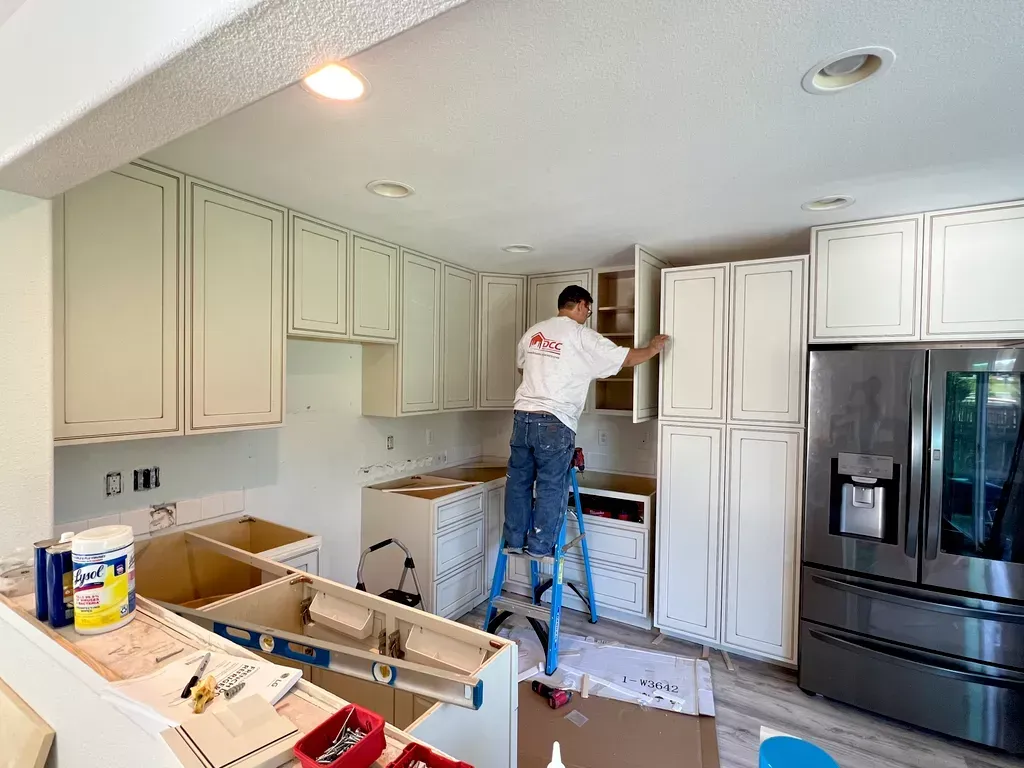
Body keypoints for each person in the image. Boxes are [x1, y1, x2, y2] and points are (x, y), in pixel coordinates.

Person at [502, 285, 669, 556]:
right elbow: (625, 358)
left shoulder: (535, 331)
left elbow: (522, 364)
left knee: (518, 481)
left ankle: (514, 541)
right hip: (555, 420)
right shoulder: (581, 336)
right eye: (588, 310)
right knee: (551, 485)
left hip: (523, 417)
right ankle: (540, 546)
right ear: (580, 304)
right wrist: (652, 349)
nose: (587, 315)